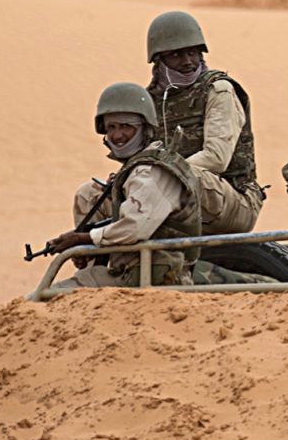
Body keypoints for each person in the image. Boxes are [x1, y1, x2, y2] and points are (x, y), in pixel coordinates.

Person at [47, 82, 203, 290]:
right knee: (88, 193)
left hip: (153, 277)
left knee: (51, 295)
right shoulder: (136, 169)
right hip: (132, 271)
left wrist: (80, 239)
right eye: (111, 127)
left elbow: (134, 228)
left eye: (126, 126)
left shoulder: (154, 171)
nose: (117, 136)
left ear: (145, 128)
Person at [145, 10, 264, 234]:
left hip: (232, 199)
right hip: (168, 195)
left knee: (190, 177)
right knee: (92, 193)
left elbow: (216, 158)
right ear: (159, 60)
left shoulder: (218, 90)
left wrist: (155, 177)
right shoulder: (148, 100)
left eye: (193, 53)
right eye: (176, 55)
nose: (187, 61)